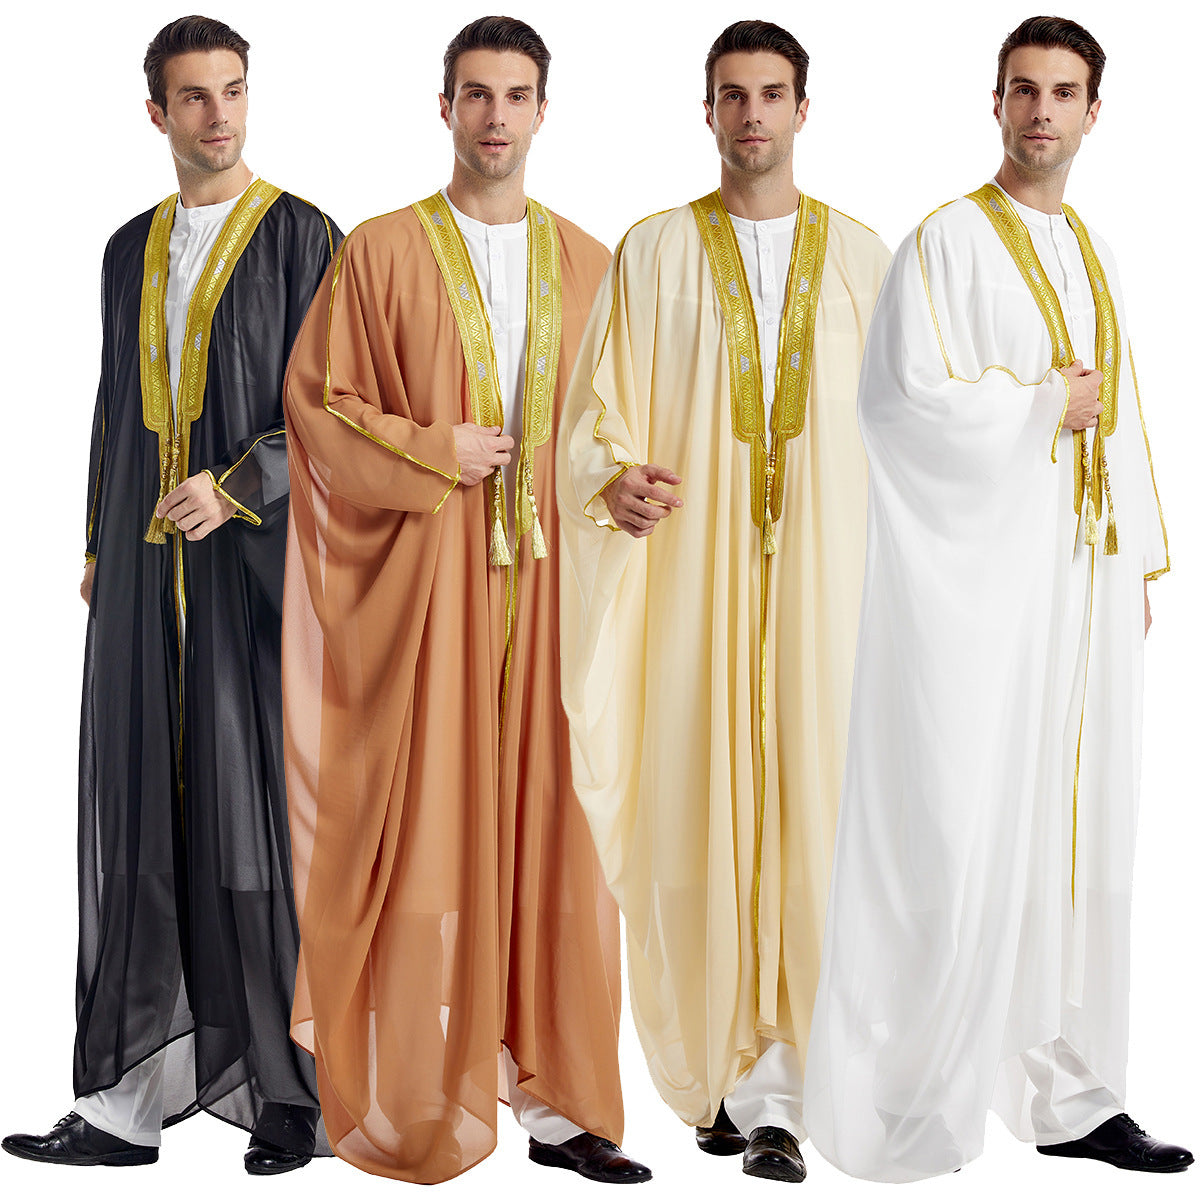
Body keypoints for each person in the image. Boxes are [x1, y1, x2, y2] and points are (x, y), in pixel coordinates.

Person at [803, 14, 1192, 1181]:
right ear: (996, 102)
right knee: (960, 826)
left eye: (1063, 93)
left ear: (1093, 112)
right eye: (1023, 89)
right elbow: (896, 403)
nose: (1041, 111)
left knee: (1074, 836)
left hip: (1078, 586)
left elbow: (1120, 409)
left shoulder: (1094, 249)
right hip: (980, 596)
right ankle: (914, 1091)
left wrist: (1129, 564)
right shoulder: (947, 242)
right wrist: (1035, 407)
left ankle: (1073, 1095)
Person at [281, 15, 649, 1186]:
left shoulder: (593, 263)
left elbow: (616, 427)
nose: (496, 116)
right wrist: (435, 448)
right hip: (426, 592)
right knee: (422, 843)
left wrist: (623, 485)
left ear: (544, 111)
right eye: (476, 94)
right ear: (444, 108)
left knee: (558, 843)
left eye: (516, 95)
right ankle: (418, 1095)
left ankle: (563, 1106)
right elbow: (321, 407)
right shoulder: (380, 251)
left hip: (556, 595)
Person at [1, 15, 339, 1176]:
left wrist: (240, 486)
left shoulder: (303, 236)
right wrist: (100, 540)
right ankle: (126, 1099)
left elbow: (340, 407)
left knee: (259, 819)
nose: (218, 114)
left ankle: (292, 1093)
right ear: (157, 112)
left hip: (258, 573)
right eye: (194, 97)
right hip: (147, 569)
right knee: (140, 809)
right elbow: (116, 403)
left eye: (233, 90)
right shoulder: (124, 249)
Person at [557, 19, 890, 1184]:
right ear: (707, 112)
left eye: (772, 94)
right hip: (689, 593)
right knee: (693, 820)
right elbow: (591, 416)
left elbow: (912, 430)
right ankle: (729, 1077)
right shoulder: (652, 252)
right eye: (733, 95)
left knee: (822, 822)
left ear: (804, 109)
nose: (753, 114)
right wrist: (611, 480)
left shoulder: (863, 261)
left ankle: (798, 1081)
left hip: (831, 599)